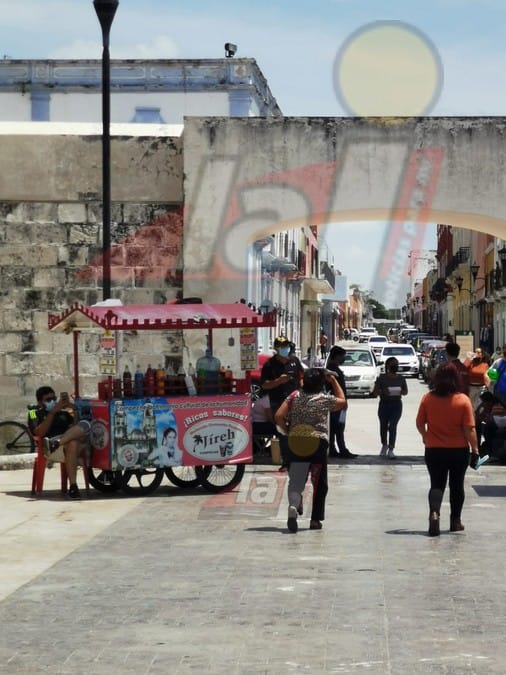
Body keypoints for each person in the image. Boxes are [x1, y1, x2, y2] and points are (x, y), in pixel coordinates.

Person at [274, 368, 346, 533]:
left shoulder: (294, 396)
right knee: (319, 483)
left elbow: (278, 416)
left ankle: (293, 505)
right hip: (317, 443)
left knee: (297, 480)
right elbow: (342, 401)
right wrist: (333, 380)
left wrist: (287, 431)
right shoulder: (323, 399)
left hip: (297, 442)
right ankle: (315, 520)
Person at [416, 363, 479, 536]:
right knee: (457, 485)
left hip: (434, 450)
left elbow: (420, 423)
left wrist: (425, 436)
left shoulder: (428, 398)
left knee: (437, 484)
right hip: (458, 450)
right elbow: (469, 429)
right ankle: (455, 521)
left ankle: (434, 513)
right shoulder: (463, 400)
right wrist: (475, 449)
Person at [27, 386, 89, 499]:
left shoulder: (63, 413)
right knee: (73, 443)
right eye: (48, 400)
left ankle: (73, 487)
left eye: (54, 399)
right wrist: (52, 413)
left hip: (65, 443)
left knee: (83, 426)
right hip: (49, 446)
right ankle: (73, 486)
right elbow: (39, 432)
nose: (52, 401)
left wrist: (73, 408)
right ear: (40, 402)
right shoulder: (34, 412)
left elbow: (75, 428)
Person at [260, 336, 304, 469]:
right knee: (282, 433)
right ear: (276, 349)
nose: (285, 349)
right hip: (278, 402)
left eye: (287, 346)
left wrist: (303, 390)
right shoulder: (269, 365)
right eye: (282, 346)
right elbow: (264, 385)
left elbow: (301, 377)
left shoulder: (294, 361)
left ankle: (298, 459)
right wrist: (278, 381)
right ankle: (286, 462)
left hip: (295, 401)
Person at [372, 356, 408, 459]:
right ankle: (384, 444)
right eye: (393, 365)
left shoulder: (401, 378)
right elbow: (375, 392)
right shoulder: (382, 378)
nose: (395, 366)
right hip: (384, 404)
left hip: (396, 405)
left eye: (397, 365)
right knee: (383, 426)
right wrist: (383, 391)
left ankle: (391, 449)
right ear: (388, 366)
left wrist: (400, 391)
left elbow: (405, 391)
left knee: (393, 426)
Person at [325, 345, 357, 458]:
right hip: (337, 403)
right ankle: (341, 449)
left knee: (336, 427)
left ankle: (334, 449)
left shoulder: (333, 369)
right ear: (337, 356)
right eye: (342, 356)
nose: (344, 358)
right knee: (338, 427)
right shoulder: (332, 371)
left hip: (338, 402)